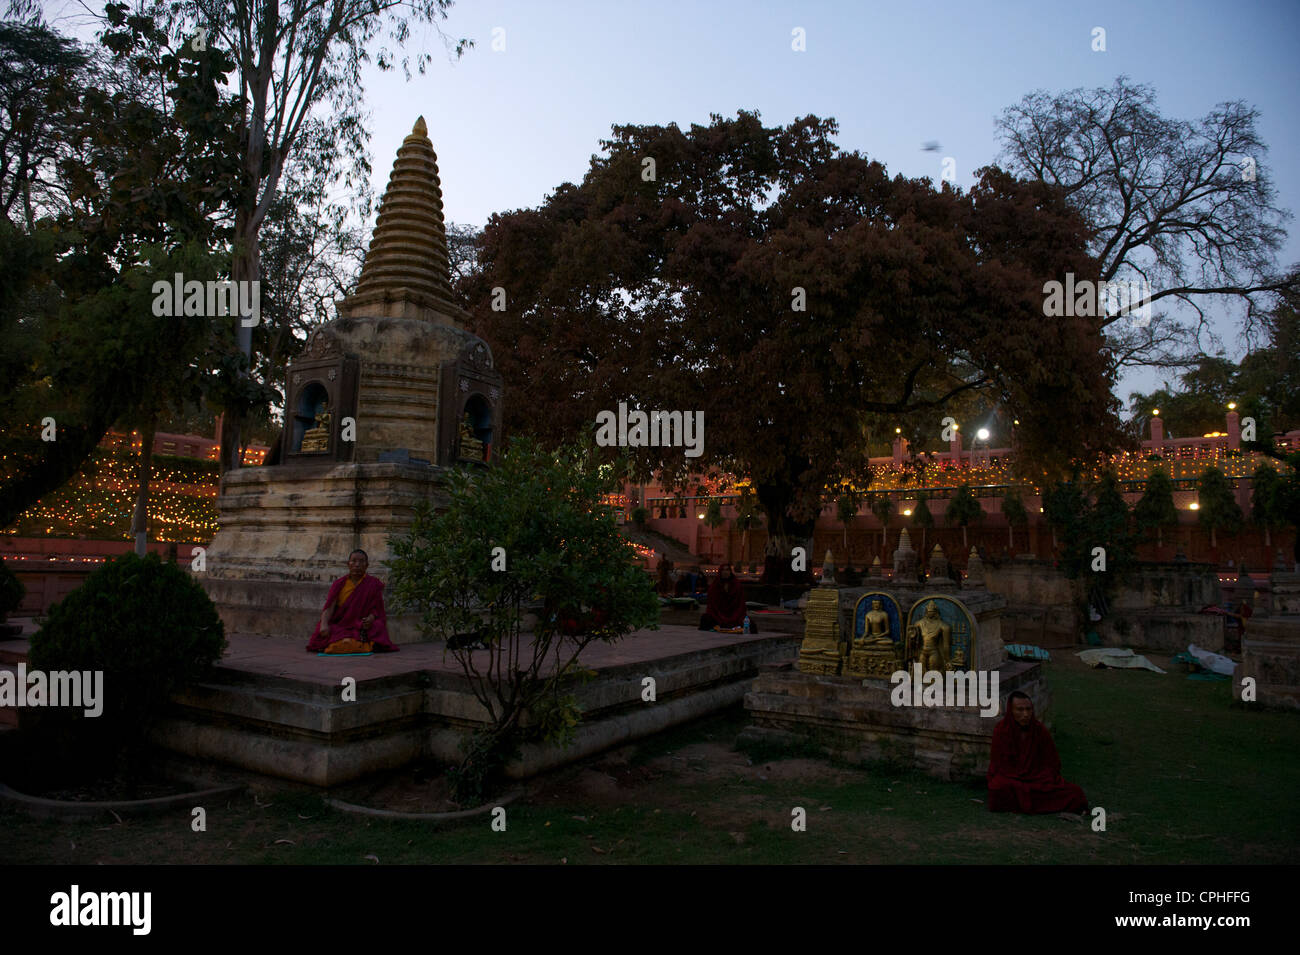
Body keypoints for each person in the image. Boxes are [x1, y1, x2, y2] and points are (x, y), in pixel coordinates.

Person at [987, 691, 1086, 813]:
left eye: (1029, 709)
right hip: (1011, 778)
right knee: (998, 788)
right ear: (1011, 711)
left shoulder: (1040, 730)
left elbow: (1052, 763)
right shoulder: (1001, 730)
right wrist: (1016, 777)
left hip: (1037, 779)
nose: (1026, 714)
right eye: (1020, 710)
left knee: (1076, 793)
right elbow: (997, 764)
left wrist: (1043, 777)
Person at [306, 550, 398, 653]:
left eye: (361, 561)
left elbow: (376, 610)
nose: (357, 564)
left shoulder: (373, 584)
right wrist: (324, 624)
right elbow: (329, 608)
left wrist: (370, 619)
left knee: (378, 626)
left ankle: (341, 645)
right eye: (353, 561)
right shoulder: (339, 584)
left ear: (367, 565)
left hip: (362, 625)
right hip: (342, 624)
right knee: (323, 628)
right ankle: (363, 645)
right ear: (348, 564)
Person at [698, 563, 756, 632]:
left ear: (730, 572)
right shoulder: (714, 586)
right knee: (705, 619)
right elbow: (712, 605)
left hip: (734, 615)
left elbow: (740, 604)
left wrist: (735, 616)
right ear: (720, 572)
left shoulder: (737, 585)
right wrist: (719, 616)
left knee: (750, 624)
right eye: (723, 570)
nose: (725, 572)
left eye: (727, 570)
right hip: (718, 616)